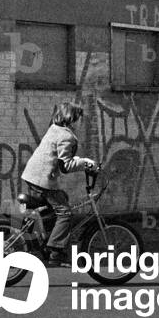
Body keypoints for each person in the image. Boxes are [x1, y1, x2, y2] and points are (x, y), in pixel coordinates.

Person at [20, 101, 96, 267]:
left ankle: (46, 233)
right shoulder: (67, 136)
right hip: (42, 179)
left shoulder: (55, 130)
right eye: (80, 118)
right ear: (72, 119)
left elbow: (60, 157)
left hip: (32, 175)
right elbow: (66, 166)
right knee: (65, 212)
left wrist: (79, 160)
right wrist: (85, 163)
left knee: (62, 197)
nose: (81, 122)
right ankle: (55, 250)